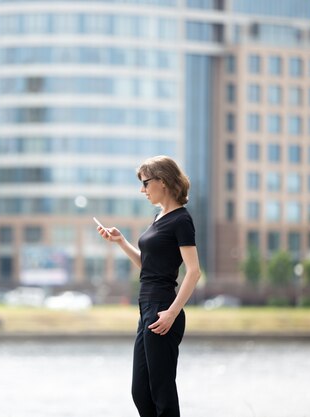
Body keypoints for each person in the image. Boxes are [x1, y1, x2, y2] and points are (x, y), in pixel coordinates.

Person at [96, 155, 201, 417]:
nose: (142, 190)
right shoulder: (159, 218)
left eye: (145, 183)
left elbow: (194, 271)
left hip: (163, 310)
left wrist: (172, 313)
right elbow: (149, 266)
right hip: (146, 309)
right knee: (140, 391)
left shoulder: (181, 220)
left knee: (162, 393)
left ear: (162, 181)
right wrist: (121, 242)